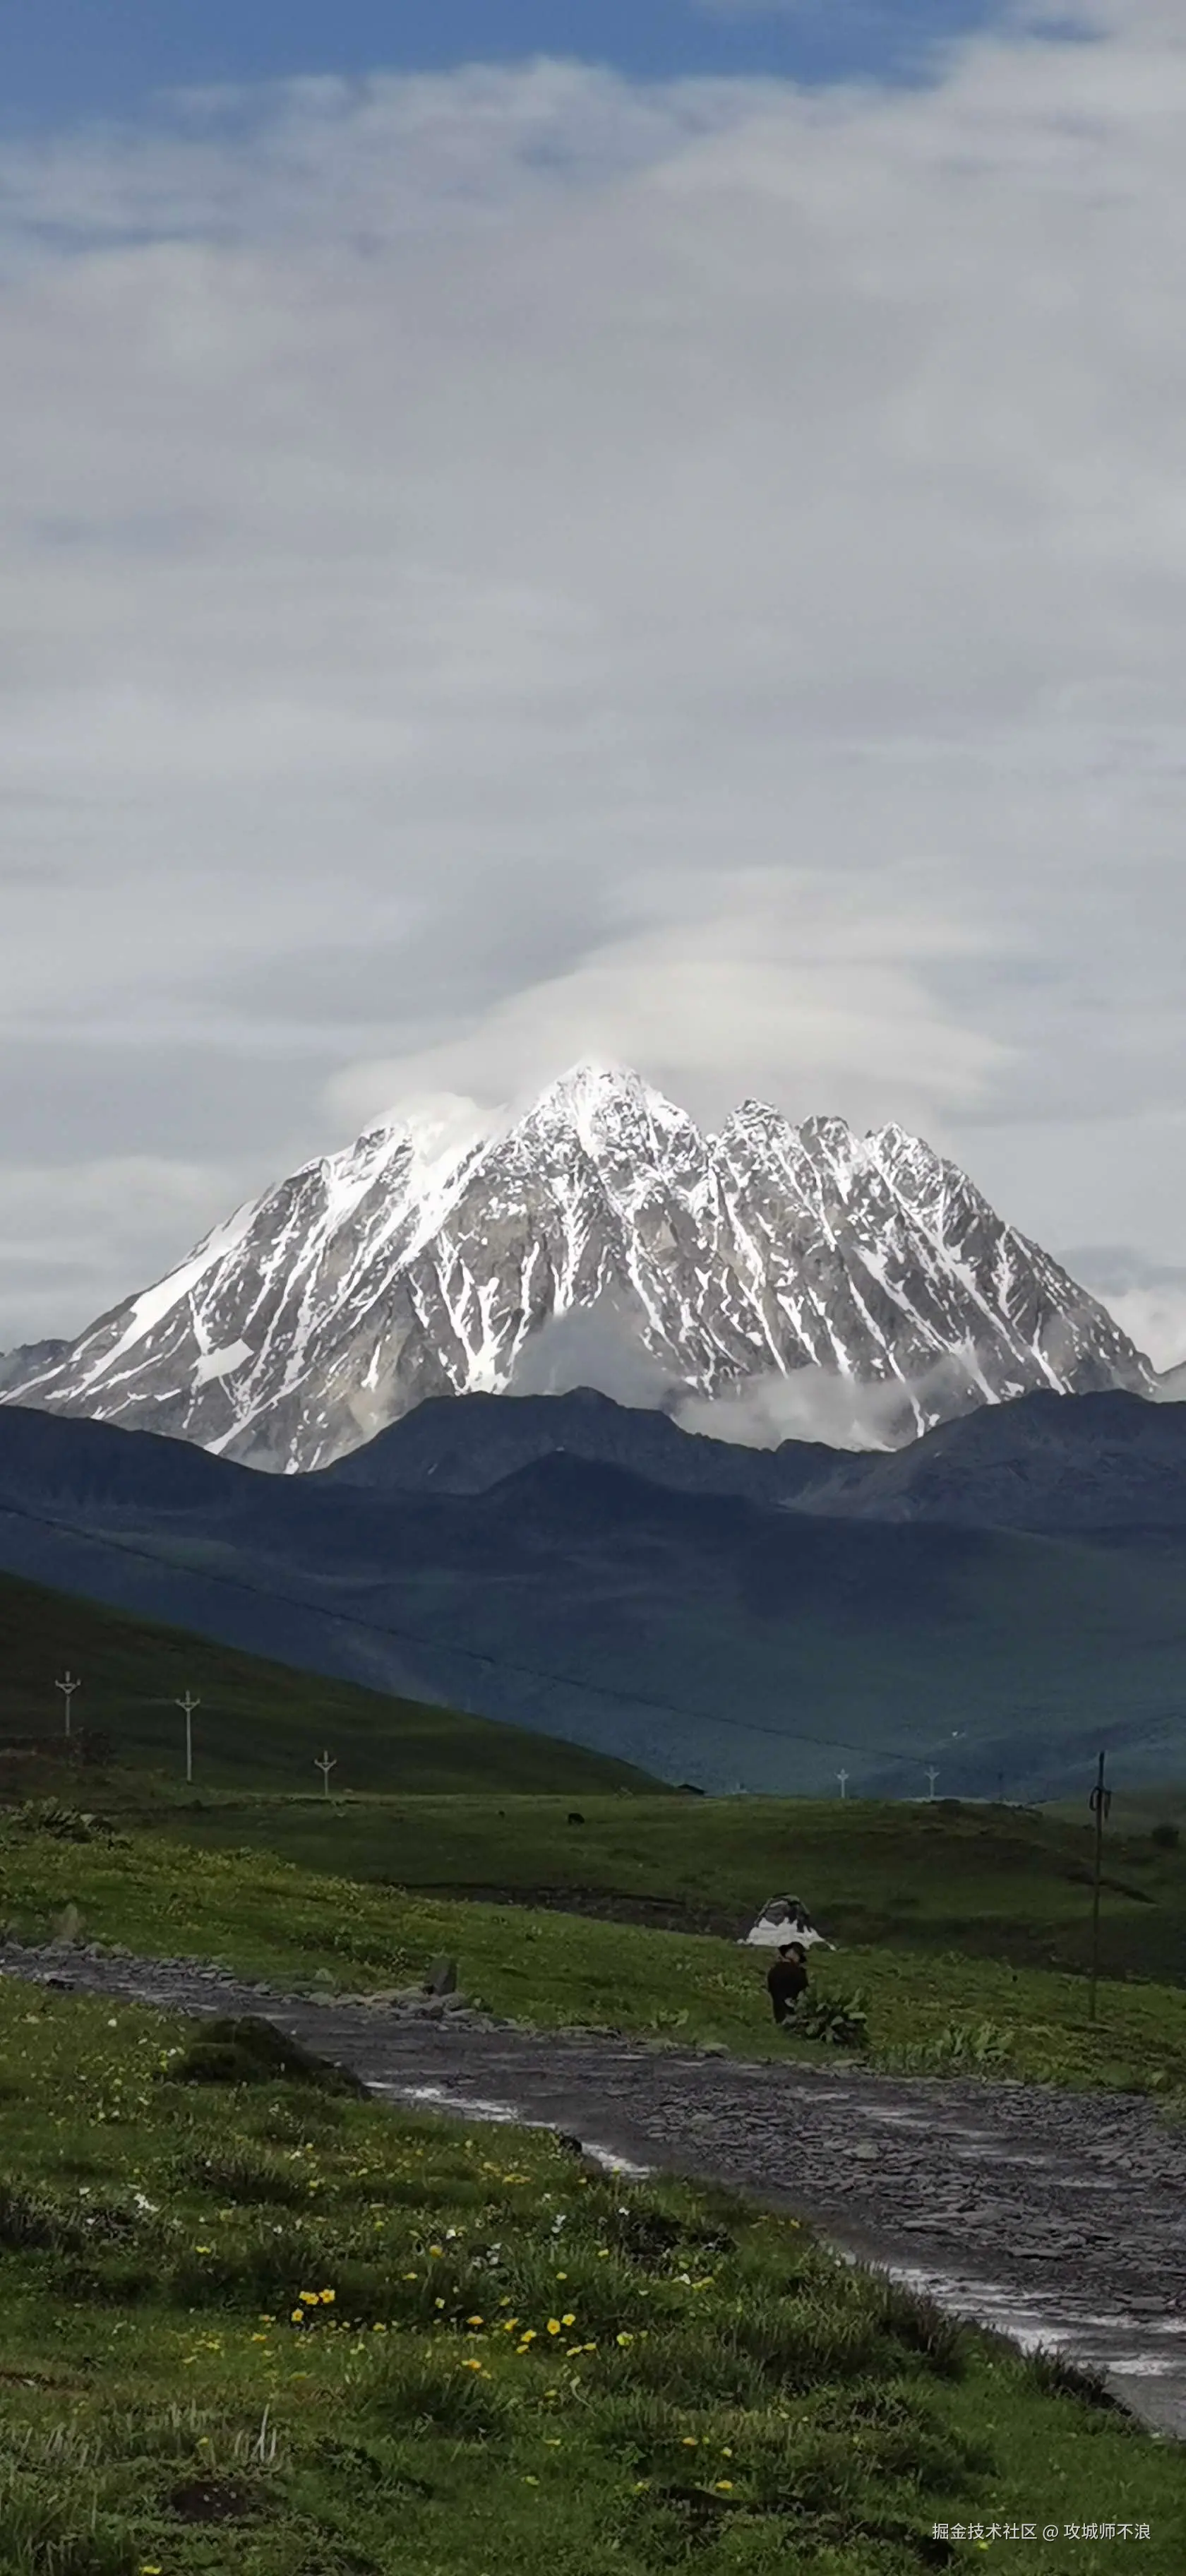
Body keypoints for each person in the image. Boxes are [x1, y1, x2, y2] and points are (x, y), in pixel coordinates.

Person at [766, 1940, 808, 2026]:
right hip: (795, 2017)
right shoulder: (799, 1973)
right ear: (797, 1956)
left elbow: (771, 1990)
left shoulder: (773, 1971)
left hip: (779, 2016)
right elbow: (805, 1992)